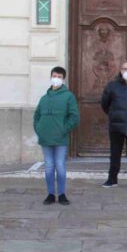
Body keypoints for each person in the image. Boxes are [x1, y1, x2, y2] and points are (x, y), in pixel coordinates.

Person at [33, 66, 80, 206]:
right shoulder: (44, 98)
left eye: (59, 77)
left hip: (60, 138)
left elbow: (74, 117)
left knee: (60, 165)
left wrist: (63, 129)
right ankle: (50, 194)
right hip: (45, 138)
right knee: (48, 166)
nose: (56, 79)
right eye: (54, 76)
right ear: (50, 77)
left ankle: (62, 193)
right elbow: (37, 116)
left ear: (63, 79)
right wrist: (39, 129)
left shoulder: (68, 96)